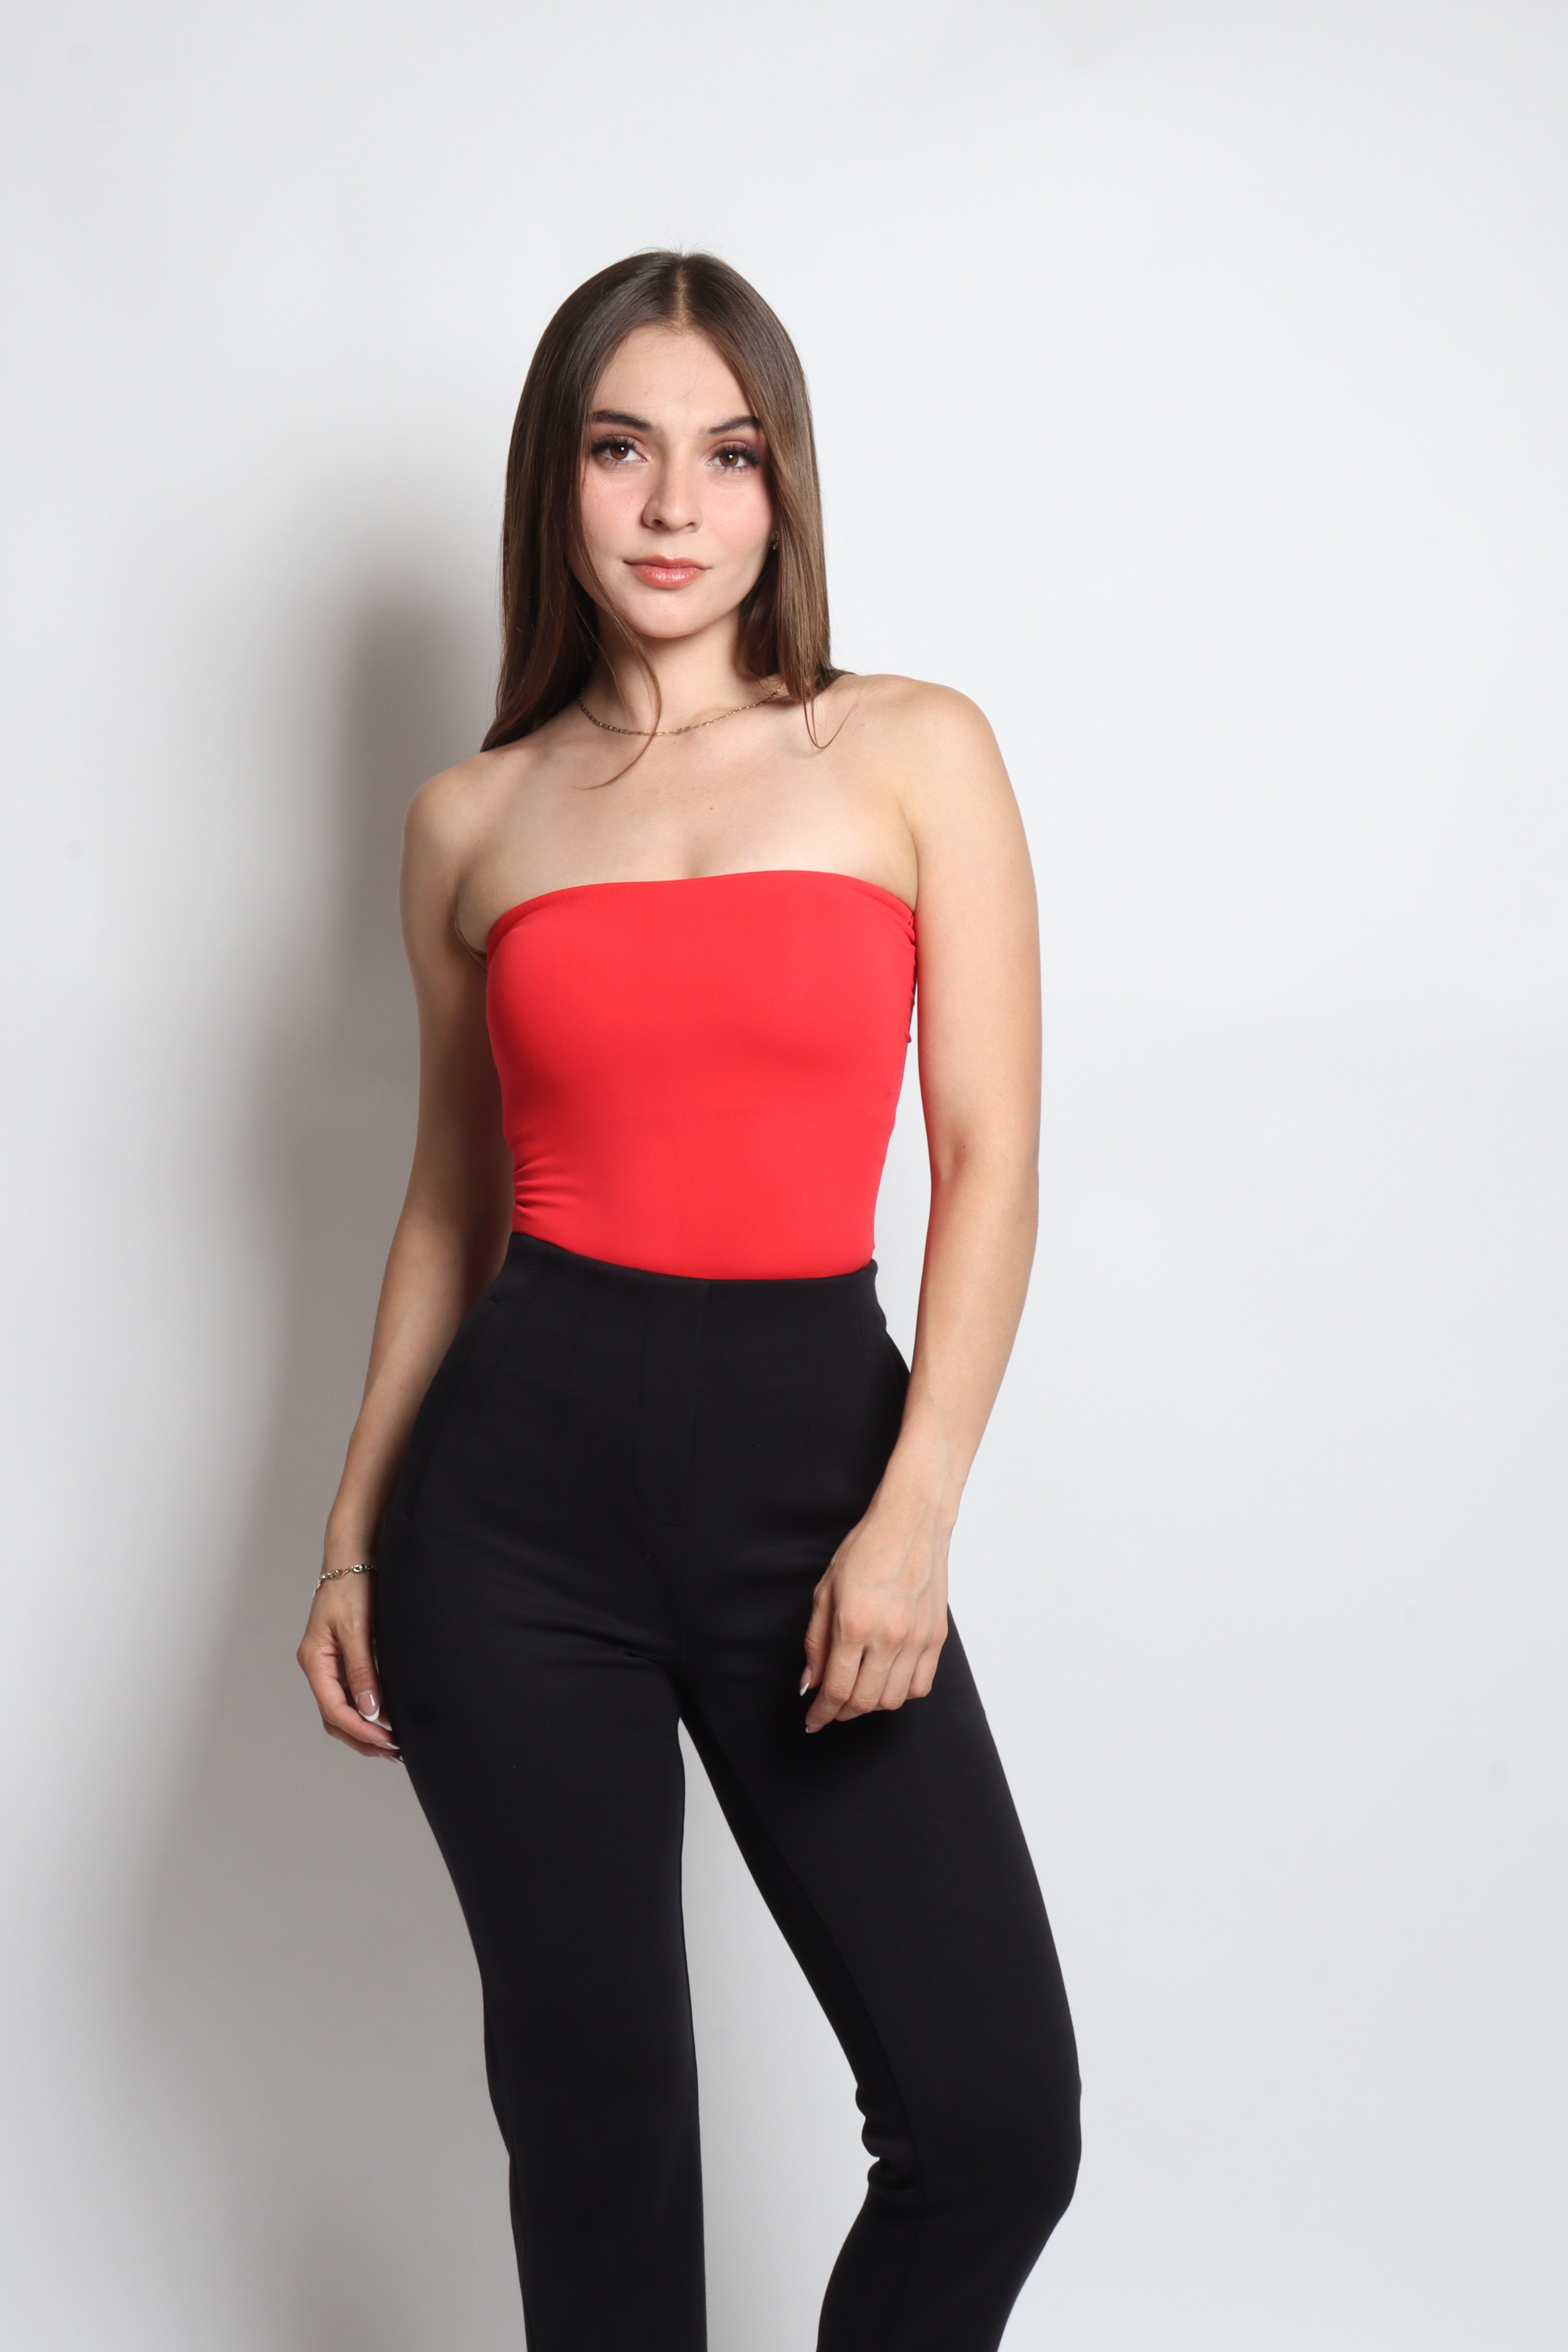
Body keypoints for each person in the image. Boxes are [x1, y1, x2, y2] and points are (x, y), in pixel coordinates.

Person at [297, 249, 1079, 2352]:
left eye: (727, 456)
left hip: (817, 1476)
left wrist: (913, 1515)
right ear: (554, 484)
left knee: (994, 2124)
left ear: (783, 486)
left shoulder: (908, 749)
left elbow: (991, 1157)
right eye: (619, 450)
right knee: (603, 2141)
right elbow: (452, 1202)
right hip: (510, 1517)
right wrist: (356, 1537)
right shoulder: (471, 818)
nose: (671, 507)